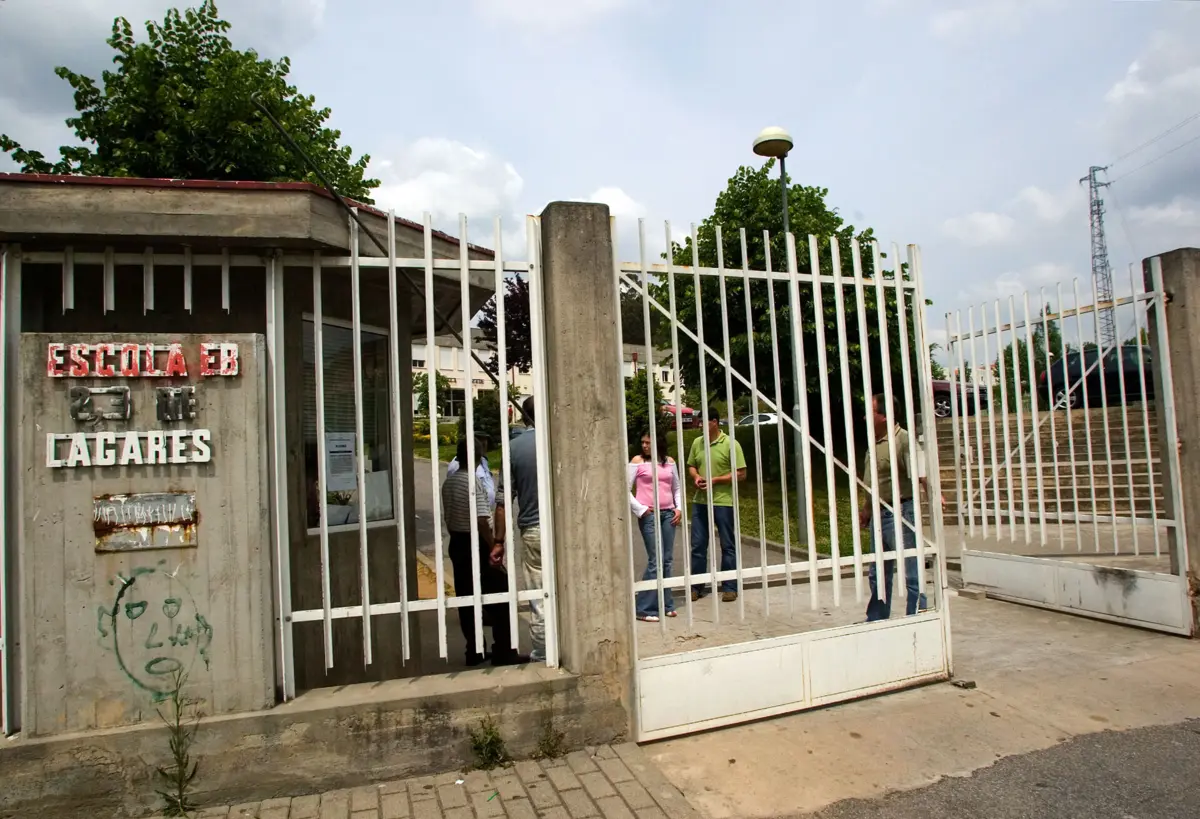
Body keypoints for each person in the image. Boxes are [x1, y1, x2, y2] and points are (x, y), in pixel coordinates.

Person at [441, 436, 528, 667]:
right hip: (474, 543)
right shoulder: (472, 482)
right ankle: (503, 650)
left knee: (467, 598)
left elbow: (449, 517)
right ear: (479, 457)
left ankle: (474, 649)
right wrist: (493, 546)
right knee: (502, 594)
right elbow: (481, 520)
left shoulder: (449, 482)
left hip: (457, 542)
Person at [860, 393, 931, 621]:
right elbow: (873, 481)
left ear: (883, 416)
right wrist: (866, 510)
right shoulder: (874, 443)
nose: (864, 417)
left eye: (869, 412)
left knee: (911, 570)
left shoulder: (903, 440)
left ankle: (916, 618)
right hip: (878, 514)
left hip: (900, 510)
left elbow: (920, 472)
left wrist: (933, 496)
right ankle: (877, 619)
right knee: (877, 573)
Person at [494, 396, 545, 663]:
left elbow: (502, 501)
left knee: (539, 593)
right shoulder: (559, 442)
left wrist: (499, 540)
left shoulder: (513, 448)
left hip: (533, 528)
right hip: (563, 530)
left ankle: (543, 652)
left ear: (524, 417)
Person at [687, 408, 746, 602]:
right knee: (698, 546)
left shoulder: (731, 444)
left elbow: (741, 473)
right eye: (699, 421)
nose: (700, 425)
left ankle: (729, 586)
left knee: (727, 544)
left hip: (723, 502)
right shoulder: (698, 443)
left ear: (715, 422)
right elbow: (692, 466)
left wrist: (716, 480)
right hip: (700, 501)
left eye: (703, 422)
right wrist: (696, 477)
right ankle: (696, 587)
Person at [628, 427, 682, 622]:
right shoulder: (637, 461)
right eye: (642, 442)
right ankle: (644, 608)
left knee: (667, 559)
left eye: (648, 442)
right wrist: (640, 509)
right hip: (649, 514)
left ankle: (666, 604)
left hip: (669, 514)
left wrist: (679, 508)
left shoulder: (669, 462)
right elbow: (625, 488)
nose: (644, 445)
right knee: (655, 560)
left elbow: (676, 487)